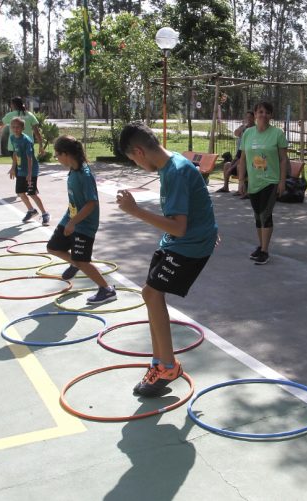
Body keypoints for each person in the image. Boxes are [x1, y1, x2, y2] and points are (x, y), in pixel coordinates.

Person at [116, 122, 217, 397]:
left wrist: (134, 210)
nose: (137, 165)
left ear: (139, 151)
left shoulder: (175, 172)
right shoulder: (172, 163)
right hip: (182, 241)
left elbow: (178, 227)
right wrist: (209, 227)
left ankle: (168, 366)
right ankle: (161, 362)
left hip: (189, 244)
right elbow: (200, 200)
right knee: (150, 294)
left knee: (152, 292)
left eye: (133, 160)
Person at [46, 135, 116, 304]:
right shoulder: (73, 170)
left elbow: (92, 203)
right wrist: (69, 220)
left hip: (84, 224)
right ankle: (74, 263)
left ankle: (106, 290)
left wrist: (73, 222)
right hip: (70, 217)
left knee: (82, 260)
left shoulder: (84, 175)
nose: (57, 159)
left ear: (66, 154)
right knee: (53, 247)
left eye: (57, 155)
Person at [239, 101, 289, 265]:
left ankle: (265, 251)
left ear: (271, 115)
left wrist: (282, 181)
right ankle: (261, 246)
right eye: (260, 112)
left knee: (265, 215)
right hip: (254, 181)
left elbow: (283, 160)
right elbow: (243, 159)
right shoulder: (248, 134)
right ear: (255, 114)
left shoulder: (277, 134)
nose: (263, 115)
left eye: (267, 112)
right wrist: (241, 181)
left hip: (271, 181)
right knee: (257, 215)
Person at [7, 117, 50, 225]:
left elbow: (29, 157)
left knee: (32, 193)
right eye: (13, 127)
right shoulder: (12, 138)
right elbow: (15, 153)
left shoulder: (26, 140)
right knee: (20, 192)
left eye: (18, 127)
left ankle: (45, 213)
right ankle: (31, 211)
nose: (15, 129)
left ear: (22, 128)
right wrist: (13, 167)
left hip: (32, 170)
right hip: (21, 170)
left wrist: (30, 174)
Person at [217, 111, 255, 193]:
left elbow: (242, 158)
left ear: (254, 118)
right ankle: (225, 187)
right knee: (227, 164)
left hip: (249, 160)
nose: (248, 119)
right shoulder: (244, 128)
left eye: (250, 117)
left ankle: (240, 189)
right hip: (241, 154)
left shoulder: (255, 130)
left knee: (239, 166)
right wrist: (243, 127)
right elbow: (236, 133)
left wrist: (232, 168)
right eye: (247, 117)